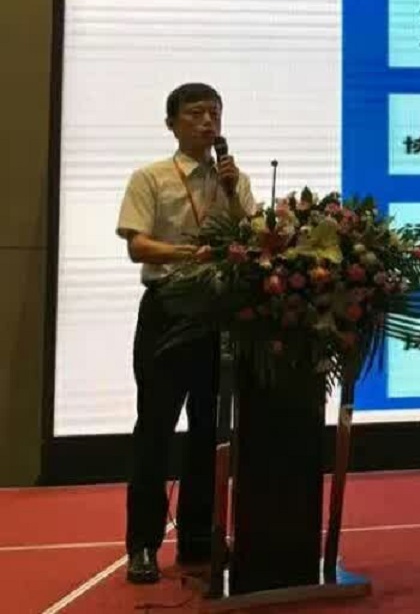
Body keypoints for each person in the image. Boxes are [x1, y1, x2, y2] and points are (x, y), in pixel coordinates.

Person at [115, 83, 257, 585]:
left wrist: (232, 194)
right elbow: (138, 246)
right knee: (155, 430)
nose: (207, 122)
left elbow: (254, 239)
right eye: (196, 113)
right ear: (172, 123)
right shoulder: (151, 177)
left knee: (208, 433)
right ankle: (143, 545)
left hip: (216, 313)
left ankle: (198, 537)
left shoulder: (233, 179)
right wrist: (187, 255)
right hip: (168, 308)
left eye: (214, 113)